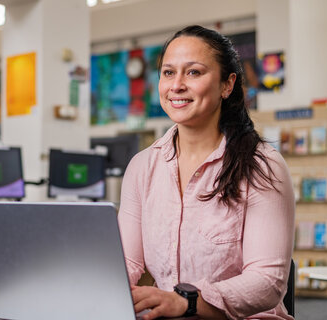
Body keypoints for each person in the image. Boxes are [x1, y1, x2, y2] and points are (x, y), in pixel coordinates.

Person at [118, 25, 295, 320]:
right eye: (168, 72)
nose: (176, 85)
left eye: (194, 72)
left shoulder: (263, 166)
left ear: (227, 85)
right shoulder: (142, 167)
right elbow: (126, 261)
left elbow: (268, 282)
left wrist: (186, 302)